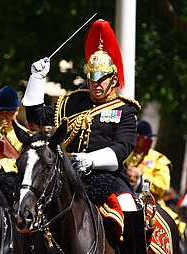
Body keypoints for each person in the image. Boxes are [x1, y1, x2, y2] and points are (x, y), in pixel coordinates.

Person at [22, 19, 146, 253]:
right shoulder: (74, 101)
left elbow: (123, 147)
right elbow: (35, 115)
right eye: (92, 77)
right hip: (68, 176)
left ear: (113, 79)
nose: (96, 83)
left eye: (102, 78)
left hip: (106, 177)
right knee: (33, 205)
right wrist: (36, 79)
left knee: (130, 209)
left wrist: (91, 160)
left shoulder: (125, 110)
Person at [125, 119, 186, 239]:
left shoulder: (158, 159)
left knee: (169, 227)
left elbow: (163, 186)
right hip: (125, 195)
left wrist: (141, 178)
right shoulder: (127, 155)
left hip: (152, 203)